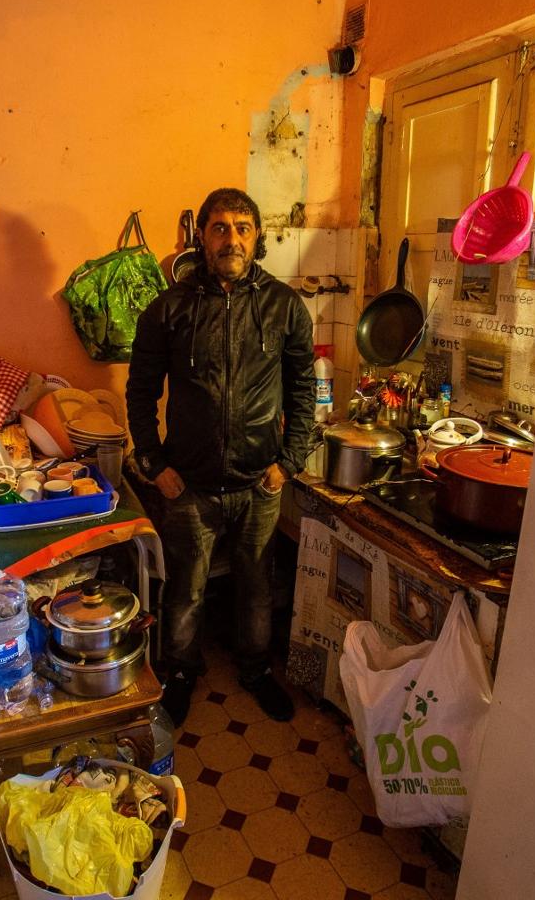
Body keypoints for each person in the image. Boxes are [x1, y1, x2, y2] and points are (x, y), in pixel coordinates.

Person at [126, 188, 314, 727]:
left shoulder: (283, 307)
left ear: (257, 237)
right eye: (219, 227)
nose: (231, 238)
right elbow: (140, 392)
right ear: (201, 237)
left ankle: (255, 669)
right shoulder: (169, 309)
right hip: (190, 486)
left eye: (242, 227)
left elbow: (304, 389)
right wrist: (154, 465)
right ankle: (181, 672)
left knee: (256, 588)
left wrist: (290, 462)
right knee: (185, 592)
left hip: (261, 483)